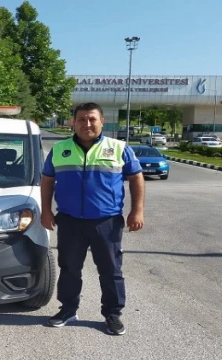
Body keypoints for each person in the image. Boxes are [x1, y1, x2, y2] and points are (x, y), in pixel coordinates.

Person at [40, 102, 145, 335]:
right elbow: (47, 181)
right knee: (69, 269)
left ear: (101, 122)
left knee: (110, 270)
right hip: (69, 221)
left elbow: (137, 178)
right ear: (73, 122)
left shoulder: (118, 148)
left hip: (106, 222)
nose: (87, 124)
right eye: (81, 119)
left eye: (92, 119)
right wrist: (45, 211)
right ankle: (68, 309)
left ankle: (112, 314)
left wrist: (137, 210)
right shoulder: (59, 149)